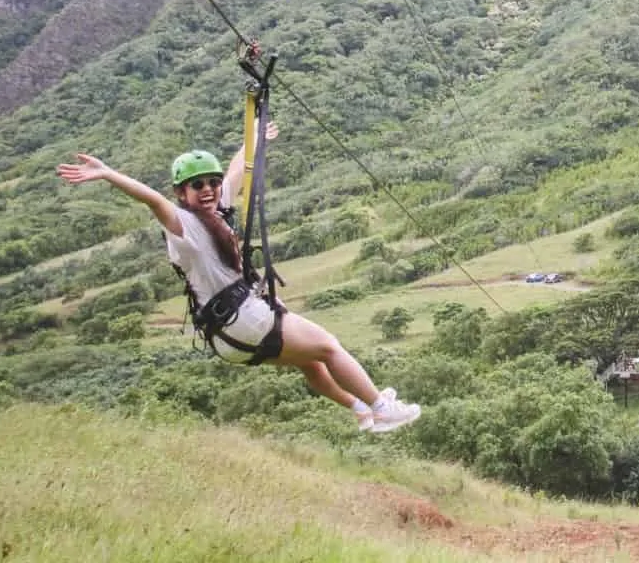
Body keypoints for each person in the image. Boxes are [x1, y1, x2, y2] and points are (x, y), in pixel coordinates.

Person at [57, 123, 422, 434]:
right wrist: (108, 174)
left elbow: (238, 172)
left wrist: (255, 136)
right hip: (244, 320)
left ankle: (357, 407)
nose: (207, 189)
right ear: (181, 194)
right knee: (328, 346)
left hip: (227, 335)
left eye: (210, 183)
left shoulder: (218, 209)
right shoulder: (184, 227)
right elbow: (152, 200)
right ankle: (380, 406)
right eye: (196, 185)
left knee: (310, 361)